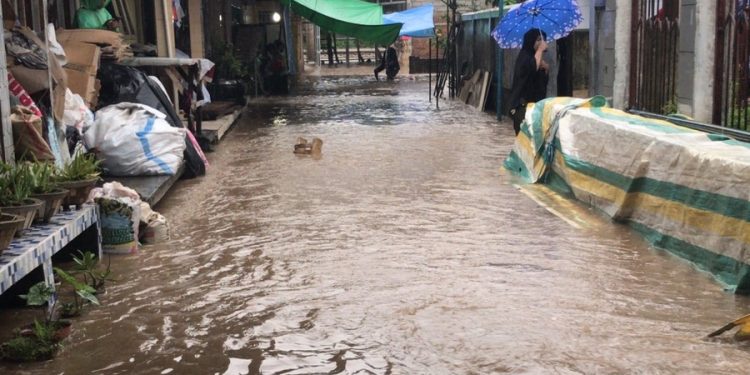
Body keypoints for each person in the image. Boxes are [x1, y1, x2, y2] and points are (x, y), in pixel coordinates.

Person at [507, 29, 550, 135]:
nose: (542, 42)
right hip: (522, 107)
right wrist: (540, 51)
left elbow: (541, 84)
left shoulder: (536, 59)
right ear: (531, 41)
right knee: (525, 140)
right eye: (539, 40)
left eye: (543, 39)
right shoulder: (524, 57)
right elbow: (531, 68)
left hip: (535, 107)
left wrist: (546, 69)